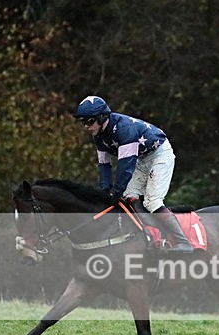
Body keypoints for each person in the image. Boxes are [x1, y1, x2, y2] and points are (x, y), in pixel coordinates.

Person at [73, 95, 193, 253]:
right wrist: (104, 191)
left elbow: (126, 166)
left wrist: (116, 191)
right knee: (129, 197)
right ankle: (150, 235)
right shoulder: (99, 136)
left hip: (159, 155)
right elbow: (104, 165)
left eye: (89, 121)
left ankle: (183, 242)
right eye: (83, 122)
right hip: (141, 158)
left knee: (153, 201)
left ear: (102, 118)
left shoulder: (124, 129)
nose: (86, 127)